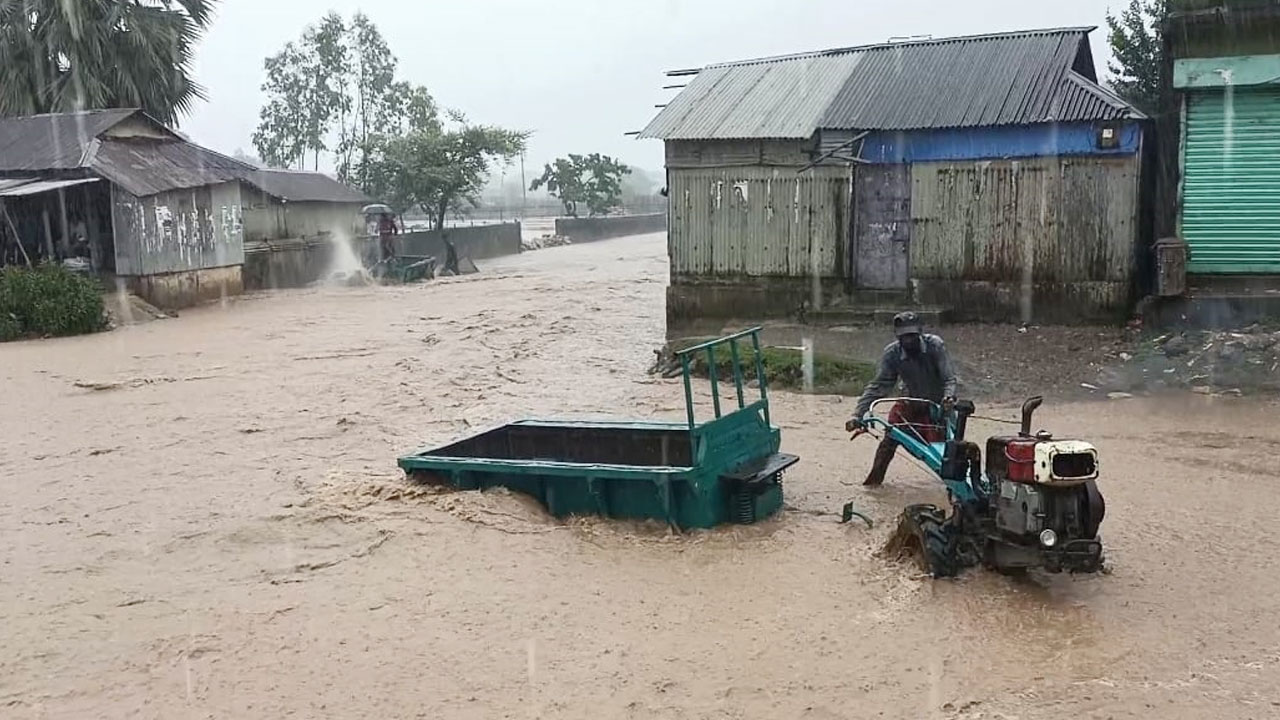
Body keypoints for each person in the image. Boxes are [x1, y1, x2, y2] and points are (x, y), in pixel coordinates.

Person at [846, 312, 958, 486]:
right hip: (909, 403)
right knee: (888, 442)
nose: (909, 341)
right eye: (904, 337)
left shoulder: (935, 345)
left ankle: (954, 490)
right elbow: (878, 386)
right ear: (897, 336)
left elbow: (948, 379)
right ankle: (872, 486)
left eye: (912, 336)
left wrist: (948, 398)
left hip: (937, 406)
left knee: (949, 452)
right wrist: (857, 415)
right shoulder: (892, 353)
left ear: (920, 332)